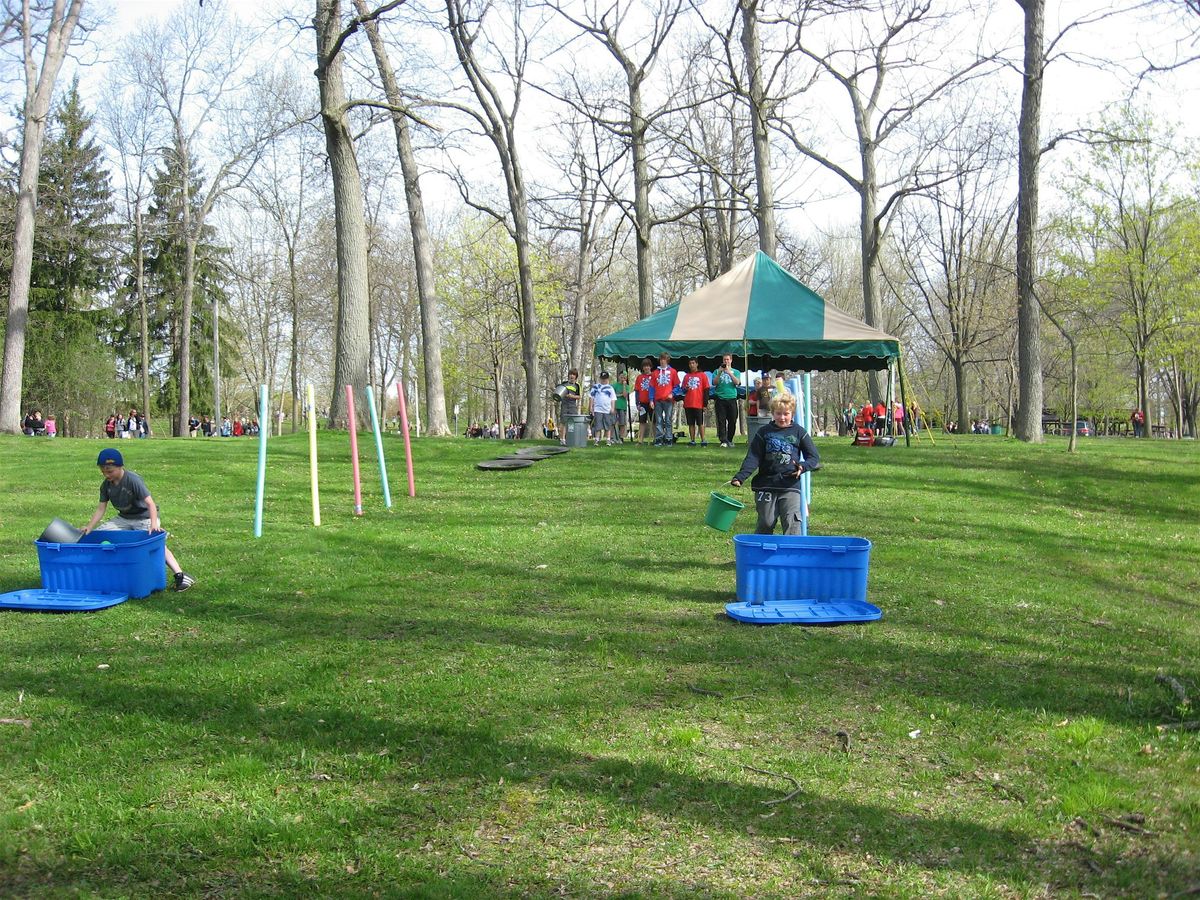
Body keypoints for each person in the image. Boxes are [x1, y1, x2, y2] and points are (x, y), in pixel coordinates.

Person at [80, 448, 195, 592]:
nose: (106, 474)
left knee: (155, 543)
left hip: (145, 517)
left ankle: (180, 575)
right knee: (101, 535)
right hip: (124, 518)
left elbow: (150, 503)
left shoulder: (132, 480)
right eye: (103, 471)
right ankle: (109, 573)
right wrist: (90, 527)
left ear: (120, 467)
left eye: (110, 471)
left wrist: (153, 524)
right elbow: (101, 508)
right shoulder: (106, 485)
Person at [730, 393, 820, 535]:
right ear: (772, 413)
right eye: (778, 414)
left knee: (792, 523)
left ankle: (791, 555)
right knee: (766, 522)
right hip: (766, 484)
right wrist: (740, 477)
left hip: (790, 485)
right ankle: (761, 553)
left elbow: (813, 458)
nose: (782, 418)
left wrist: (802, 467)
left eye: (786, 414)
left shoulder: (799, 432)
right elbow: (753, 457)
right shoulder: (764, 432)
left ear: (792, 413)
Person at [679, 358, 712, 446]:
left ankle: (703, 440)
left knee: (700, 423)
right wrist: (685, 389)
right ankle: (692, 440)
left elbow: (706, 390)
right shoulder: (686, 376)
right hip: (688, 403)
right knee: (690, 423)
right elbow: (682, 389)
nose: (691, 365)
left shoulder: (702, 375)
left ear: (697, 364)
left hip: (698, 403)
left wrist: (705, 404)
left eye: (693, 363)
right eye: (690, 363)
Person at [711, 353, 741, 448]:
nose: (726, 361)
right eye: (724, 360)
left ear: (731, 360)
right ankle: (723, 440)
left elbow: (737, 383)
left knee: (732, 420)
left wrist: (729, 373)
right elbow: (714, 383)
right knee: (721, 420)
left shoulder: (736, 371)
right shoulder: (717, 371)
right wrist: (720, 372)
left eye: (728, 359)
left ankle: (730, 439)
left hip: (731, 398)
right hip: (720, 398)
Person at [651, 352, 678, 445]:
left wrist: (672, 393)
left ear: (667, 360)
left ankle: (668, 438)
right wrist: (651, 400)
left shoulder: (673, 371)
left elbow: (677, 386)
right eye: (661, 359)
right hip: (658, 400)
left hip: (668, 400)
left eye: (664, 359)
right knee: (658, 420)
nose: (662, 361)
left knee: (668, 420)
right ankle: (658, 438)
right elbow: (652, 387)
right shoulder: (655, 372)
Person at [589, 371, 618, 445]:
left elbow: (613, 399)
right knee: (598, 425)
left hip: (607, 409)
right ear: (600, 379)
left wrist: (612, 408)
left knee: (608, 425)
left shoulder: (610, 388)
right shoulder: (595, 387)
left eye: (605, 379)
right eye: (602, 379)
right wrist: (591, 407)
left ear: (608, 379)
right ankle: (597, 439)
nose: (603, 380)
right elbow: (591, 397)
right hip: (598, 409)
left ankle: (608, 439)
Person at [633, 358, 655, 445]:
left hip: (652, 402)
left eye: (648, 366)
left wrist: (653, 400)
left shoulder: (654, 376)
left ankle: (656, 439)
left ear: (650, 367)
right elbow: (637, 391)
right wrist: (637, 403)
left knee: (654, 421)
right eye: (645, 366)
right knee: (642, 422)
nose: (646, 368)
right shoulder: (639, 377)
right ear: (642, 367)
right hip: (642, 403)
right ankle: (640, 440)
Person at [557, 369, 581, 446]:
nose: (571, 376)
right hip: (564, 404)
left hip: (572, 406)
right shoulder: (564, 384)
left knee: (572, 422)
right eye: (570, 374)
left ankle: (570, 439)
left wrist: (572, 396)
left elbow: (579, 396)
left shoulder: (577, 386)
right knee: (563, 422)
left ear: (576, 377)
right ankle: (562, 439)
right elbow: (558, 392)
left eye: (573, 375)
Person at [613, 371, 630, 442]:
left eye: (624, 377)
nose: (622, 378)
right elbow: (613, 395)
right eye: (621, 377)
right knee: (614, 422)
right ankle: (614, 437)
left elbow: (625, 395)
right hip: (615, 406)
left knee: (622, 423)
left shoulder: (627, 386)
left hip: (623, 407)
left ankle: (621, 437)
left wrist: (623, 386)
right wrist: (620, 395)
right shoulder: (614, 385)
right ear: (619, 377)